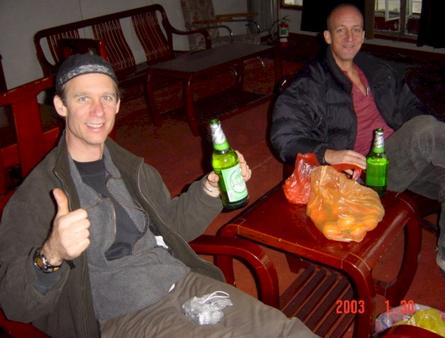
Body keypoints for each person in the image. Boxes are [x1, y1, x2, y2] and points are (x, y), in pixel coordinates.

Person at [0, 54, 314, 337]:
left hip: (186, 283)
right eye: (83, 98)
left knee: (288, 331)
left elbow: (172, 224)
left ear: (118, 105)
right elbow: (15, 305)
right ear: (60, 105)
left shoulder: (130, 167)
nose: (98, 111)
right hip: (128, 316)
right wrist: (51, 254)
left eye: (107, 97)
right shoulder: (38, 195)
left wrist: (208, 189)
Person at [270, 4, 445, 280]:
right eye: (340, 30)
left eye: (356, 30)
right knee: (425, 130)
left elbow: (408, 103)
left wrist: (411, 126)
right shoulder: (312, 82)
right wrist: (327, 153)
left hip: (401, 157)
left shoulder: (374, 68)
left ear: (364, 35)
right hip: (365, 172)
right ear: (327, 36)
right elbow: (283, 136)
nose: (349, 37)